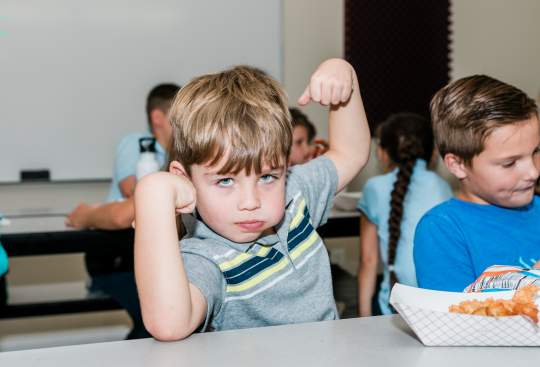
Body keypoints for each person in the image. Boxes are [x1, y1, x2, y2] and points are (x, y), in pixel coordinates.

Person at [133, 58, 371, 340]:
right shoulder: (207, 258)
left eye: (267, 177)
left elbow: (350, 153)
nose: (250, 202)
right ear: (185, 180)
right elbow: (169, 324)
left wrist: (344, 75)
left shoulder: (294, 194)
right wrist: (154, 194)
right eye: (225, 181)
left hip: (329, 364)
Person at [65, 83, 180, 339]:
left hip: (151, 254)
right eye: (180, 113)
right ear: (158, 117)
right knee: (153, 319)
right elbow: (132, 192)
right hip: (118, 254)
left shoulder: (183, 152)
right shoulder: (137, 144)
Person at [414, 75, 540, 292]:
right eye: (509, 163)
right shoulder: (442, 228)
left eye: (536, 151)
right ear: (458, 165)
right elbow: (455, 311)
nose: (533, 172)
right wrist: (533, 278)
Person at [356, 113, 452, 316]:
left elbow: (368, 261)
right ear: (434, 153)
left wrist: (363, 319)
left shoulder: (374, 188)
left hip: (394, 306)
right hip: (440, 306)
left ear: (382, 153)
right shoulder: (443, 187)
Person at [107, 83, 181, 202]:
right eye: (180, 116)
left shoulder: (179, 151)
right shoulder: (135, 143)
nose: (186, 122)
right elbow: (129, 191)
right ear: (157, 117)